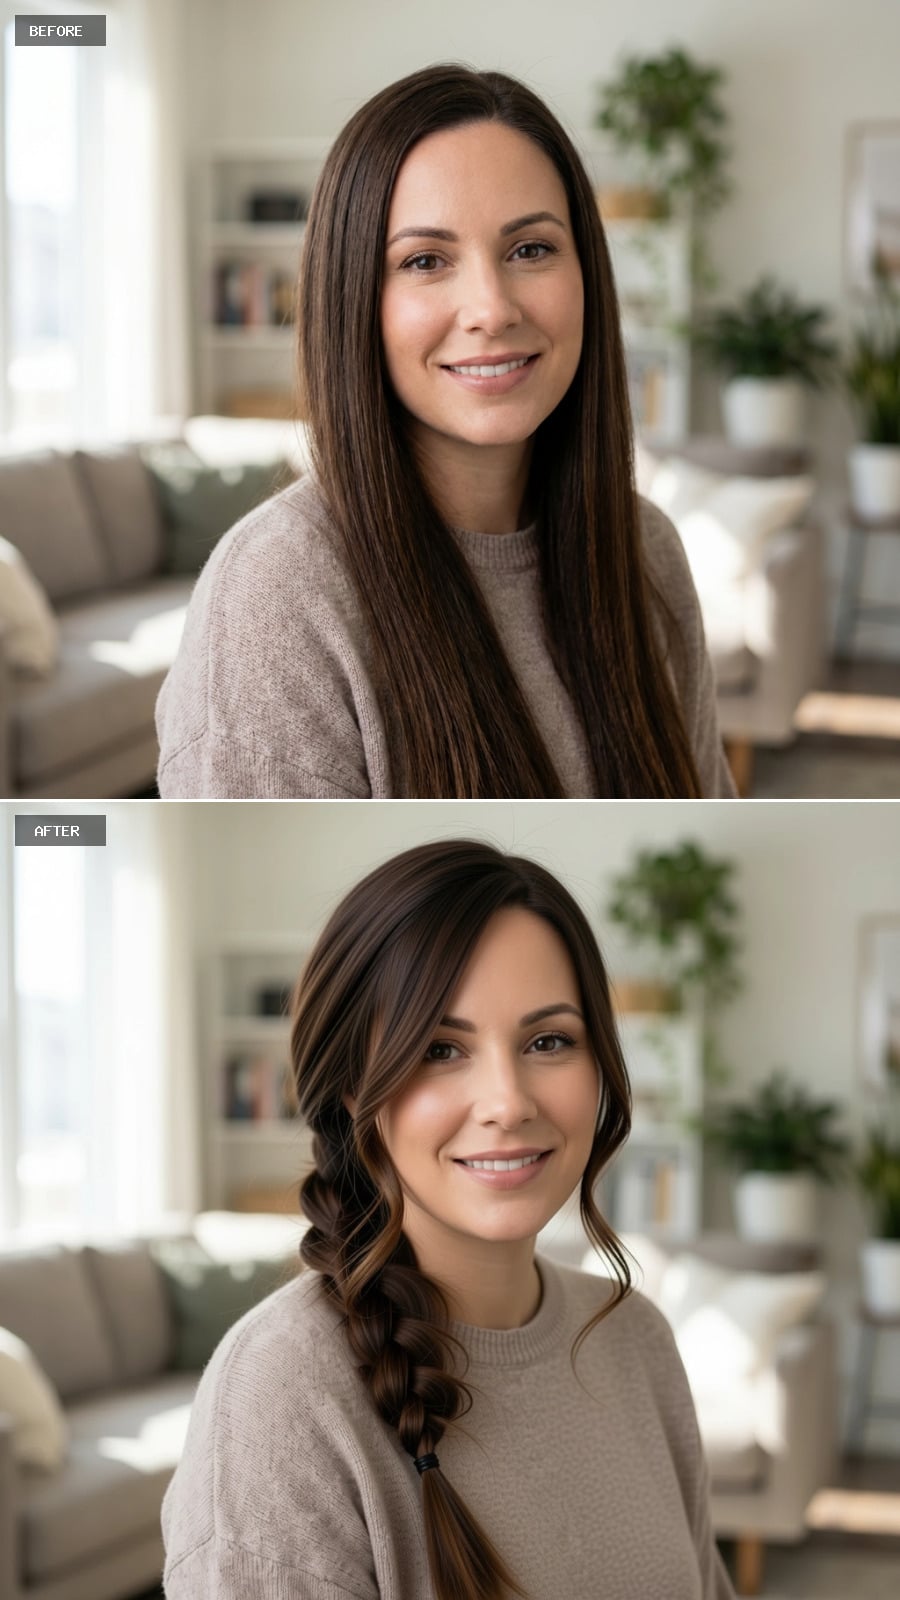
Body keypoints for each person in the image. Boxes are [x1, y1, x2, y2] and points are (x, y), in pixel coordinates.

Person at [161, 840, 736, 1599]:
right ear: (345, 1090)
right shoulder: (278, 1396)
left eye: (549, 1041)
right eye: (439, 1048)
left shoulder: (637, 1339)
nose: (508, 1101)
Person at [156, 64, 735, 799]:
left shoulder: (644, 550)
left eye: (531, 250)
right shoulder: (278, 593)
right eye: (425, 261)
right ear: (354, 299)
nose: (491, 308)